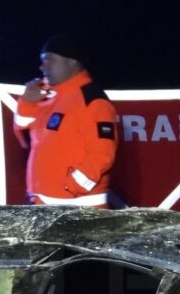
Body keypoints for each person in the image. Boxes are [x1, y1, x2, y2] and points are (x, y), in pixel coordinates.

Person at [14, 35, 118, 207]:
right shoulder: (48, 96)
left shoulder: (92, 99)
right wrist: (27, 103)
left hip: (77, 210)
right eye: (42, 61)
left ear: (72, 61)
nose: (42, 67)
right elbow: (24, 140)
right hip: (40, 203)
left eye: (49, 60)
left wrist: (70, 188)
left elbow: (102, 154)